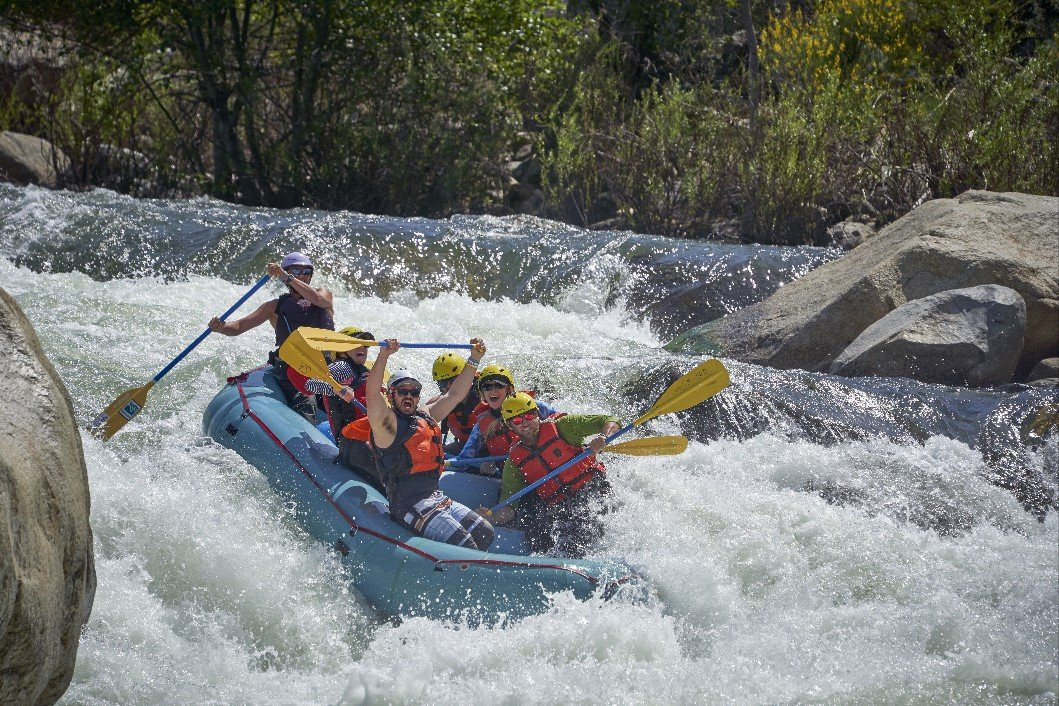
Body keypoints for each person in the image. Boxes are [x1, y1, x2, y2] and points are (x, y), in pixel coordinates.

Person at [364, 338, 495, 550]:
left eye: (414, 392)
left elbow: (455, 394)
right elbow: (371, 395)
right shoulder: (386, 424)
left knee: (485, 533)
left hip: (437, 498)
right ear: (391, 395)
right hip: (409, 505)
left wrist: (474, 359)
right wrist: (383, 356)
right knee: (464, 544)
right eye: (402, 392)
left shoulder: (427, 415)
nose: (409, 396)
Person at [484, 392, 619, 558]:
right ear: (510, 426)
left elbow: (610, 420)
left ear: (537, 414)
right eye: (518, 421)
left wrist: (603, 437)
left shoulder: (564, 427)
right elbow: (509, 507)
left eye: (529, 415)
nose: (525, 423)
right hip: (560, 505)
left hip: (591, 490)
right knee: (537, 533)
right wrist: (489, 518)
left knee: (577, 533)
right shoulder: (515, 460)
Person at [208, 252, 334, 419]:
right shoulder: (274, 306)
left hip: (325, 365)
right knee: (306, 403)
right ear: (288, 273)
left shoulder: (323, 295)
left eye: (306, 272)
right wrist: (221, 327)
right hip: (294, 367)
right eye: (296, 271)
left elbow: (317, 299)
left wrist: (285, 276)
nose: (302, 276)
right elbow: (238, 327)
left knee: (341, 401)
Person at [293, 326, 385, 490]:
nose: (362, 348)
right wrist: (335, 389)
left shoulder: (365, 370)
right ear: (342, 351)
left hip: (371, 435)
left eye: (364, 345)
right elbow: (308, 384)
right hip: (355, 440)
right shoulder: (342, 367)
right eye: (355, 343)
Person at [448, 363, 555, 469]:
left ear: (509, 389)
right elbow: (463, 459)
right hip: (516, 476)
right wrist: (483, 464)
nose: (493, 390)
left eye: (499, 385)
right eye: (487, 387)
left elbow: (563, 422)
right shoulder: (481, 427)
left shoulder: (534, 406)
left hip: (552, 464)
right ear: (482, 394)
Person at [428, 352, 481, 455]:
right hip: (465, 447)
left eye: (453, 381)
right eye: (443, 383)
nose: (449, 387)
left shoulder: (485, 395)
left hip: (491, 451)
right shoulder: (437, 403)